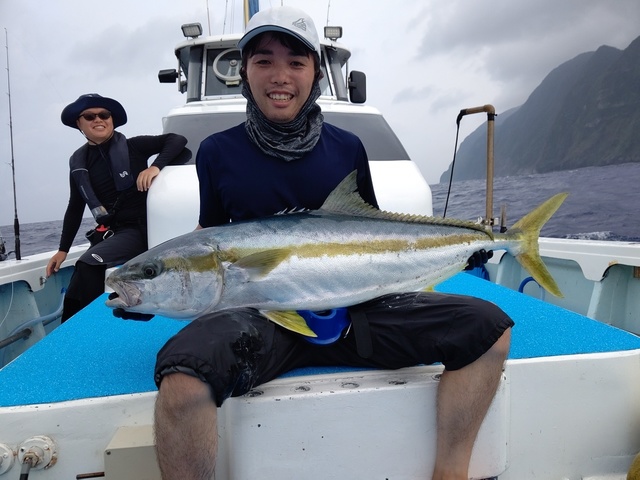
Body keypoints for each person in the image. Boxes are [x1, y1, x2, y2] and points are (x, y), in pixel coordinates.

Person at [152, 6, 513, 480]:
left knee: (489, 329)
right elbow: (213, 234)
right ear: (244, 72)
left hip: (358, 308)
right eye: (264, 61)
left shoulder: (346, 146)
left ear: (315, 73)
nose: (280, 76)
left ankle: (451, 473)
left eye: (296, 62)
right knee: (181, 378)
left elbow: (371, 229)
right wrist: (160, 286)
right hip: (263, 314)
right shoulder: (217, 151)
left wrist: (460, 250)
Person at [46, 93, 190, 322]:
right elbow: (75, 207)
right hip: (113, 232)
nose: (98, 119)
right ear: (79, 124)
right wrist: (62, 250)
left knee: (88, 264)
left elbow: (177, 140)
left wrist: (155, 167)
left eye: (104, 115)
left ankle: (94, 323)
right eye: (90, 116)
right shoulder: (78, 163)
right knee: (77, 279)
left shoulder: (134, 146)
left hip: (140, 229)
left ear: (112, 120)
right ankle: (71, 327)